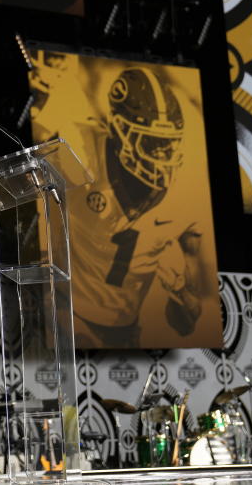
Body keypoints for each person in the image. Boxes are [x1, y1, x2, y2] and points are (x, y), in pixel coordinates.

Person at [32, 60, 214, 348]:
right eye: (152, 143)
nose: (163, 156)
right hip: (66, 310)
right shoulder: (83, 152)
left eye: (168, 144)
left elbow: (186, 324)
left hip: (126, 331)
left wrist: (180, 291)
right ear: (120, 129)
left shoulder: (183, 192)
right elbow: (28, 178)